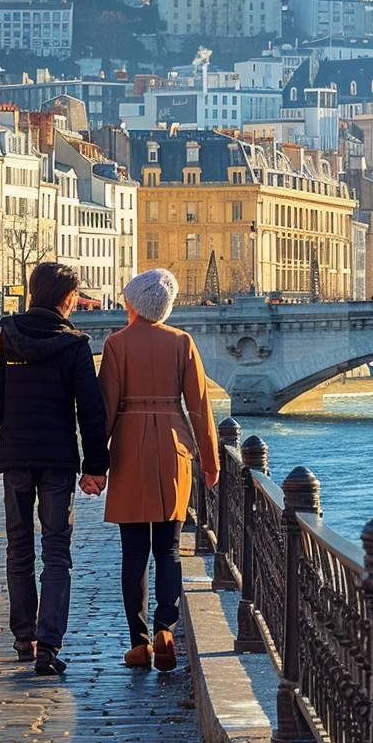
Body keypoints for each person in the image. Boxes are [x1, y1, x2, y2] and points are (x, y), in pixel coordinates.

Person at [0, 262, 107, 676]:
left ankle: (23, 638)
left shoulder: (4, 339)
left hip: (14, 458)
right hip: (58, 461)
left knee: (18, 548)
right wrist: (96, 466)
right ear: (67, 298)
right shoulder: (75, 345)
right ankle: (49, 644)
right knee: (57, 553)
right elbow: (91, 412)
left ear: (32, 292)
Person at [93, 269, 219, 671]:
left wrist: (94, 463)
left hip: (130, 444)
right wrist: (211, 460)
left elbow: (105, 410)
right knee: (167, 547)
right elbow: (199, 405)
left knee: (133, 553)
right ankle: (167, 625)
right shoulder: (182, 342)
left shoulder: (116, 345)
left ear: (133, 303)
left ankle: (139, 642)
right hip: (173, 445)